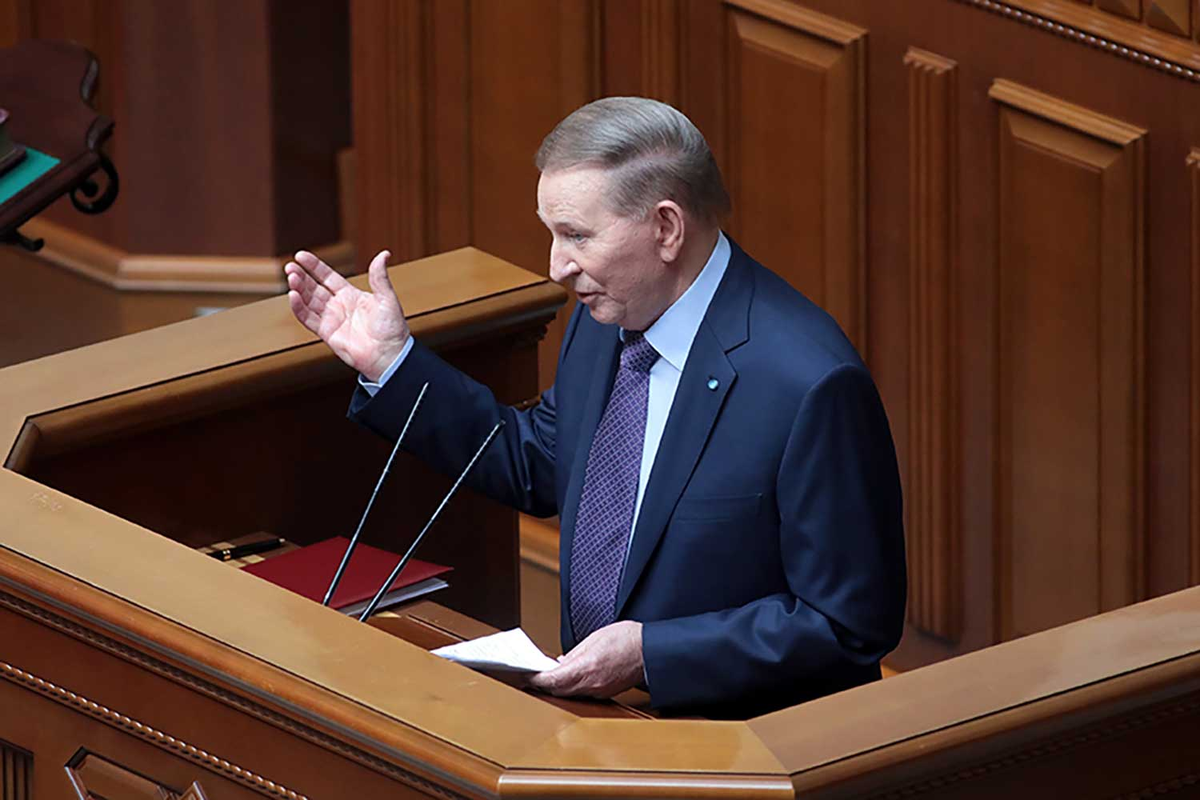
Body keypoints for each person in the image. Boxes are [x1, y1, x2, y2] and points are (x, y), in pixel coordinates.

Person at [285, 97, 906, 718]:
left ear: (666, 229)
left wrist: (652, 654)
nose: (557, 266)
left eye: (577, 236)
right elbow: (539, 462)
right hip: (593, 722)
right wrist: (391, 363)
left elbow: (847, 625)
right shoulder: (611, 315)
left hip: (732, 746)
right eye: (552, 233)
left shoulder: (810, 384)